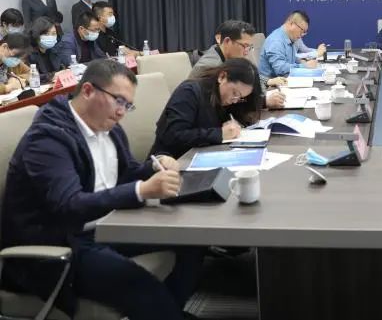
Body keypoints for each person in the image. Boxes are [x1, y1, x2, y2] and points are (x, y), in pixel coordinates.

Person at [1, 59, 203, 320]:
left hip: (104, 227)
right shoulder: (47, 139)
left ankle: (168, 312)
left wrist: (157, 166)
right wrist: (141, 190)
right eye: (118, 101)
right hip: (61, 244)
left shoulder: (108, 127)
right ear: (87, 91)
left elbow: (127, 172)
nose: (122, 112)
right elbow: (70, 205)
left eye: (127, 105)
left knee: (191, 240)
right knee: (138, 283)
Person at [151, 58, 265, 159]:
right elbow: (174, 136)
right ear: (222, 77)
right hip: (169, 163)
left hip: (202, 157)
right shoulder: (189, 92)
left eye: (240, 98)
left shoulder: (226, 101)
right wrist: (219, 134)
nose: (235, 100)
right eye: (235, 93)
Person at [190, 20, 285, 108]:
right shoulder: (211, 67)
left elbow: (245, 76)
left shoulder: (224, 54)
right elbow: (224, 105)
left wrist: (267, 81)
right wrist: (264, 101)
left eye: (249, 47)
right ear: (227, 41)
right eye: (244, 46)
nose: (246, 52)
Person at [259, 10, 320, 78]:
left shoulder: (290, 38)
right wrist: (304, 66)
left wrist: (301, 62)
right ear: (291, 24)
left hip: (285, 78)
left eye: (304, 32)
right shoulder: (276, 41)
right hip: (272, 82)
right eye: (302, 30)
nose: (302, 35)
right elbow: (280, 69)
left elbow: (289, 59)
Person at [28, 16, 64, 83]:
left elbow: (60, 68)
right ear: (37, 35)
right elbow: (31, 76)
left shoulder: (54, 50)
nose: (50, 37)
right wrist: (52, 76)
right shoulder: (29, 54)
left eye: (54, 34)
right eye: (46, 34)